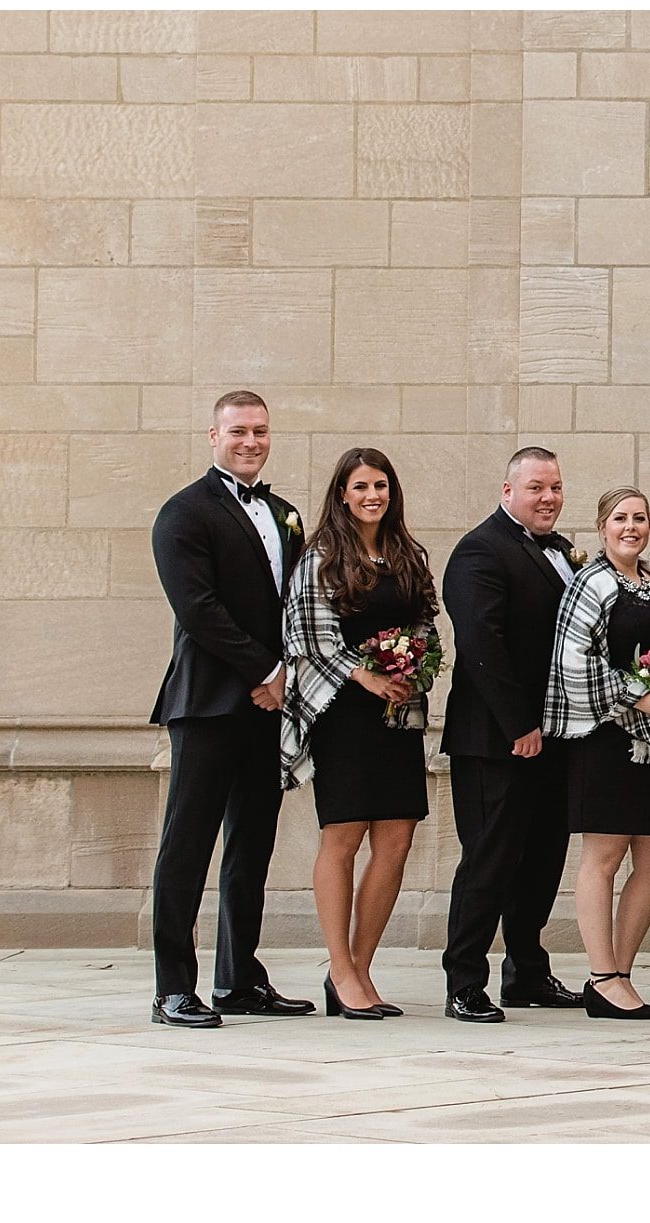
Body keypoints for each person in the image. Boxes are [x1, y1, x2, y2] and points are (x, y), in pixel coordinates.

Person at [148, 390, 316, 1027]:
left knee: (253, 843)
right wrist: (266, 670)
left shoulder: (284, 513)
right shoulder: (183, 514)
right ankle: (172, 989)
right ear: (212, 436)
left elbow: (295, 604)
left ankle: (239, 979)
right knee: (186, 846)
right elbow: (199, 610)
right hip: (210, 704)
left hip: (268, 707)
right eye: (239, 431)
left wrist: (289, 677)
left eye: (261, 431)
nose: (251, 441)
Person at [279, 448, 436, 1020]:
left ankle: (362, 966)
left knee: (396, 839)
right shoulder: (320, 558)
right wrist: (365, 674)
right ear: (342, 494)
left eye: (382, 486)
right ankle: (338, 969)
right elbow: (305, 637)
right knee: (343, 837)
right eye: (362, 486)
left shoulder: (407, 555)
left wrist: (410, 668)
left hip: (397, 713)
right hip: (342, 714)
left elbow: (425, 620)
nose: (373, 495)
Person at [544, 487, 650, 1020]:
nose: (630, 526)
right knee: (605, 856)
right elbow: (569, 661)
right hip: (613, 739)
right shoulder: (590, 584)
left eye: (639, 517)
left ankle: (622, 972)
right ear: (602, 526)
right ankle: (601, 973)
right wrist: (638, 694)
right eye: (620, 518)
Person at [440, 446, 583, 1022]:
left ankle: (527, 970)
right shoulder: (480, 551)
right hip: (496, 739)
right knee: (490, 858)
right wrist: (518, 724)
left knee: (544, 857)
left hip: (553, 738)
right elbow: (481, 646)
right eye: (535, 488)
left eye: (554, 487)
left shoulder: (560, 553)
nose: (548, 498)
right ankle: (464, 981)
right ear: (507, 492)